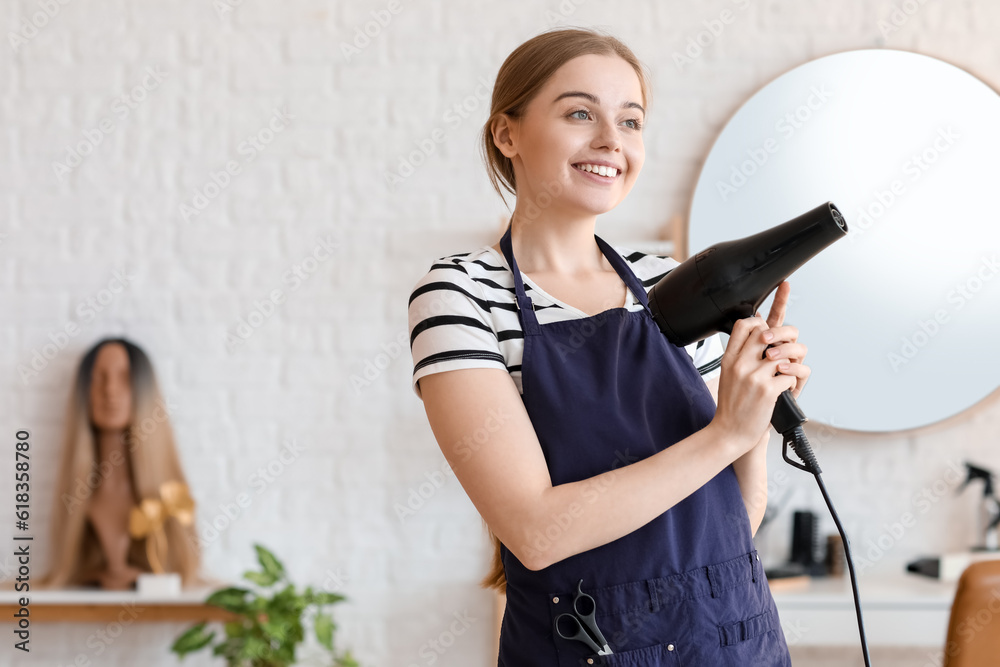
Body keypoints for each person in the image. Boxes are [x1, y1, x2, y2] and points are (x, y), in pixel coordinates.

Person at [407, 27, 809, 666]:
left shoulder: (668, 282)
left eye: (630, 121)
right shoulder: (463, 292)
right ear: (506, 134)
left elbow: (734, 520)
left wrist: (754, 409)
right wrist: (727, 433)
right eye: (579, 114)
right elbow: (536, 533)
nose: (610, 141)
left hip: (736, 639)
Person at [39, 337, 202, 590]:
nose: (110, 391)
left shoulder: (168, 500)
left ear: (143, 391)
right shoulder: (78, 500)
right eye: (98, 379)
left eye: (124, 378)